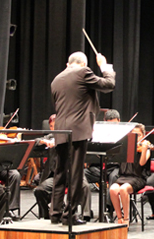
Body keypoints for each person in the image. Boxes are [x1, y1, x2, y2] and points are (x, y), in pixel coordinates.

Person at [50, 51, 116, 225]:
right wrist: (104, 66)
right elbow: (109, 85)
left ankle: (55, 213)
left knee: (60, 173)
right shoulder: (83, 72)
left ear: (68, 64)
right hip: (78, 130)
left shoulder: (56, 79)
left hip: (60, 130)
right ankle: (69, 215)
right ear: (84, 64)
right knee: (76, 174)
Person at [34, 115, 92, 221]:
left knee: (85, 187)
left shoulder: (72, 136)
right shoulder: (51, 137)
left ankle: (86, 215)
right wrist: (44, 142)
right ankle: (47, 215)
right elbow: (36, 141)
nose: (54, 129)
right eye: (52, 126)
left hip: (73, 175)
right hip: (56, 176)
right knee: (40, 190)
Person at [109, 124, 152, 224]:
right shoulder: (125, 148)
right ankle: (119, 218)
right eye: (133, 135)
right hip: (124, 176)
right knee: (113, 189)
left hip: (138, 178)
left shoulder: (146, 149)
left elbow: (142, 163)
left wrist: (144, 149)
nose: (136, 138)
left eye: (138, 135)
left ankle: (126, 219)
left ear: (143, 136)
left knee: (123, 189)